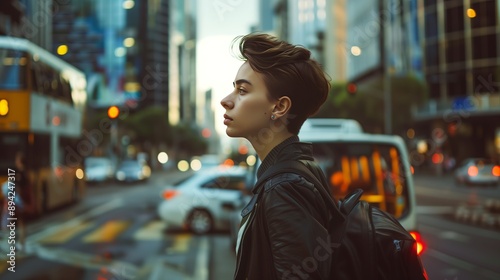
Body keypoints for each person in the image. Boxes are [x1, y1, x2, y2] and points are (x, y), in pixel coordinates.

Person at [221, 33, 342, 280]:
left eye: (242, 90)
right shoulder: (293, 172)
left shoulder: (286, 187)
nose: (226, 101)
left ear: (279, 107)